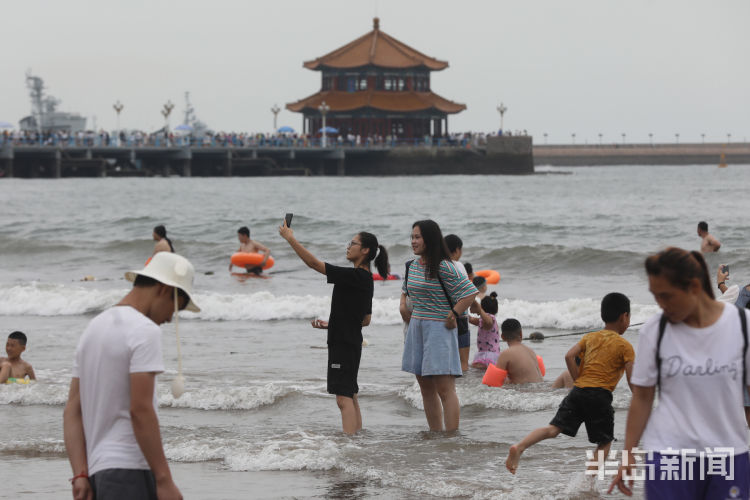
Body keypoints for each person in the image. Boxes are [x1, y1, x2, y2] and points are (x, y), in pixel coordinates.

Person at [609, 248, 750, 498]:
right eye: (655, 296)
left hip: (729, 455)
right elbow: (642, 398)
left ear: (694, 287)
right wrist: (627, 455)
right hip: (670, 455)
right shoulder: (655, 330)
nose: (661, 304)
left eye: (667, 296)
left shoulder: (742, 325)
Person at [63, 252, 199, 500]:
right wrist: (164, 480)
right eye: (175, 307)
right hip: (130, 471)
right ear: (164, 289)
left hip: (98, 473)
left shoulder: (93, 328)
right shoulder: (144, 330)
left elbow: (72, 410)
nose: (171, 318)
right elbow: (140, 409)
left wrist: (80, 474)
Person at [279, 219, 388, 434]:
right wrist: (334, 324)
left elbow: (314, 264)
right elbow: (365, 319)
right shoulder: (365, 278)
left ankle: (348, 446)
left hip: (344, 344)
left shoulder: (355, 276)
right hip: (350, 341)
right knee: (350, 394)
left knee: (342, 398)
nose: (348, 246)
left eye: (353, 243)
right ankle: (356, 440)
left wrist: (290, 238)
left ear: (365, 250)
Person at [506, 292, 634, 475]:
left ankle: (519, 446)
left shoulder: (589, 338)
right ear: (625, 317)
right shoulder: (625, 346)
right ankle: (587, 482)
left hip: (579, 392)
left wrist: (578, 380)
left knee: (553, 429)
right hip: (600, 396)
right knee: (604, 443)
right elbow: (632, 380)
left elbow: (569, 355)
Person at [400, 220, 478, 432]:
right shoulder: (412, 266)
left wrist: (454, 313)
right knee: (425, 387)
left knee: (445, 389)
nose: (413, 241)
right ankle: (436, 434)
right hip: (417, 328)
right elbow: (406, 290)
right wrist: (402, 306)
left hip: (438, 330)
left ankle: (451, 437)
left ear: (430, 239)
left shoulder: (444, 266)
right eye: (412, 237)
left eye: (418, 237)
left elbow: (470, 292)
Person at [445, 234, 471, 371]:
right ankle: (462, 389)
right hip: (460, 315)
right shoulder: (459, 265)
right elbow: (467, 291)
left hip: (444, 316)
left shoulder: (439, 266)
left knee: (447, 358)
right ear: (456, 250)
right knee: (463, 362)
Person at [495, 318, 544, 384]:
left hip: (524, 391)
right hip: (541, 388)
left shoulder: (505, 354)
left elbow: (496, 382)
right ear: (521, 334)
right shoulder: (531, 351)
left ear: (502, 337)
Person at [469, 292, 500, 368]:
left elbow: (488, 321)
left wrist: (479, 309)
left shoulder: (490, 319)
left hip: (489, 354)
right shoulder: (482, 320)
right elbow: (470, 319)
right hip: (485, 354)